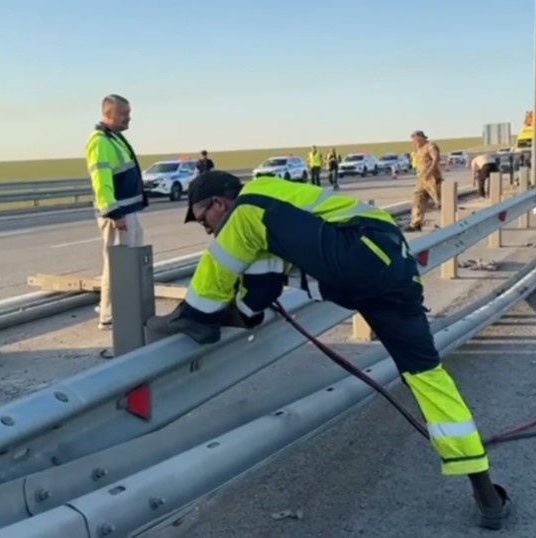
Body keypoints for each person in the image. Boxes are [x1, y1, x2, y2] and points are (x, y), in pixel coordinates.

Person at [147, 170, 513, 530]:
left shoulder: (251, 203)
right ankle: (487, 496)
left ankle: (195, 314)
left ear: (218, 202)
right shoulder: (277, 215)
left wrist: (208, 315)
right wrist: (245, 311)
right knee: (428, 378)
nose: (207, 230)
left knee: (240, 224)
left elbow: (250, 260)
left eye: (203, 219)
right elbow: (263, 288)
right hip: (390, 268)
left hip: (362, 247)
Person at [86, 94, 148, 330]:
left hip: (127, 211)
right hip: (118, 215)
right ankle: (109, 314)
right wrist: (115, 214)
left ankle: (122, 307)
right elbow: (102, 182)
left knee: (128, 262)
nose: (128, 118)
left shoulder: (114, 138)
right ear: (108, 113)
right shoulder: (100, 141)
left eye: (129, 113)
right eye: (124, 114)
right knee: (117, 263)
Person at [406, 130, 442, 232]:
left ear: (421, 137)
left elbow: (436, 158)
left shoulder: (430, 146)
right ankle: (416, 223)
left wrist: (430, 171)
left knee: (439, 201)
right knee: (417, 199)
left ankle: (449, 220)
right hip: (421, 179)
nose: (414, 141)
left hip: (432, 178)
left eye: (415, 139)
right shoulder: (417, 149)